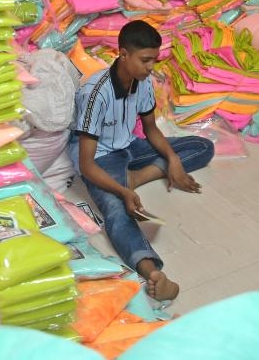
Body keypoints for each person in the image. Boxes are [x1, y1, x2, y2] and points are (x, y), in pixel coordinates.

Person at [69, 20, 215, 301]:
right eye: (145, 60)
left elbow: (150, 130)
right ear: (123, 55)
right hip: (101, 157)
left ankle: (136, 176)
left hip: (129, 146)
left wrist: (172, 159)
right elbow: (86, 165)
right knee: (117, 210)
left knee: (202, 147)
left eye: (154, 60)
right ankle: (153, 273)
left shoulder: (143, 82)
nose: (151, 67)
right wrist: (123, 191)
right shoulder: (96, 93)